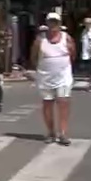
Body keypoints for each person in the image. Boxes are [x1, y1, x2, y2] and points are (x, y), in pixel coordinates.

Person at [30, 12, 75, 145]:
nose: (53, 25)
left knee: (63, 102)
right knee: (48, 104)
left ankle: (63, 133)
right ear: (47, 23)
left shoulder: (67, 38)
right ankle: (51, 132)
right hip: (45, 76)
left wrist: (63, 66)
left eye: (56, 22)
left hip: (63, 76)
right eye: (51, 22)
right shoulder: (40, 40)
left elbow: (73, 55)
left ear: (60, 24)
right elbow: (33, 57)